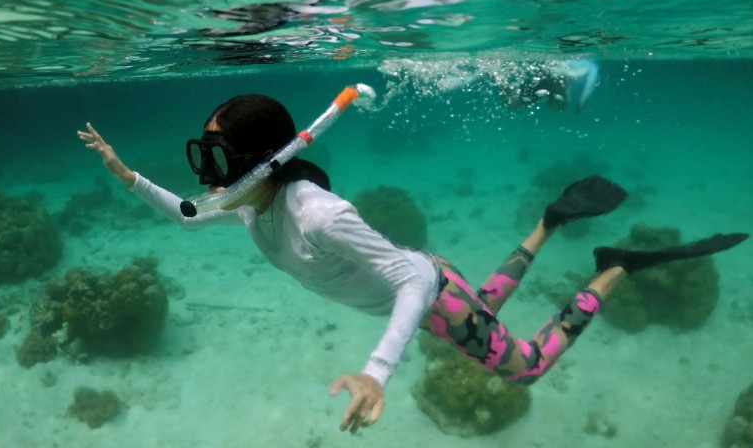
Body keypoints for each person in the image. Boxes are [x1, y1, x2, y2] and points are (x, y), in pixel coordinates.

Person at [77, 94, 747, 434]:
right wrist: (124, 172)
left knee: (526, 369)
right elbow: (188, 216)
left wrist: (376, 372)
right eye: (202, 158)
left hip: (427, 290)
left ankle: (615, 266)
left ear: (262, 158)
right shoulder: (254, 202)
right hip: (435, 288)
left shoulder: (315, 212)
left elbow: (417, 281)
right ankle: (549, 221)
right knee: (476, 307)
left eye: (217, 160)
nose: (207, 176)